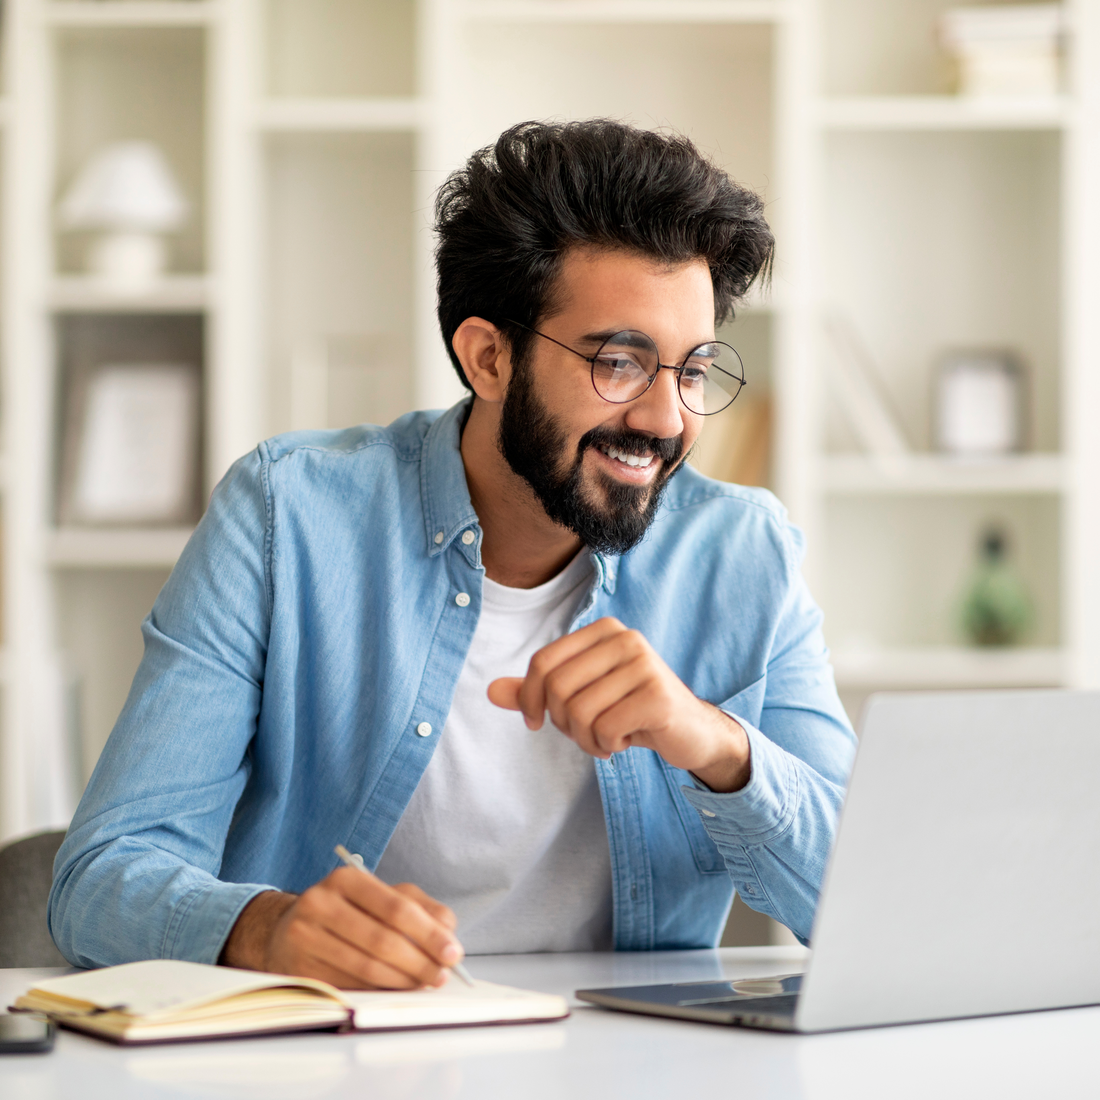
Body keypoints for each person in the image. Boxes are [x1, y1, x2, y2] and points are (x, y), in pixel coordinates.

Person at [49, 120, 856, 990]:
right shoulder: (290, 515)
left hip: (634, 1064)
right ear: (488, 357)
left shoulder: (743, 552)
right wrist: (263, 929)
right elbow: (99, 880)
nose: (666, 420)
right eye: (620, 362)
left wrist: (718, 744)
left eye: (692, 371)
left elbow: (865, 902)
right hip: (328, 1056)